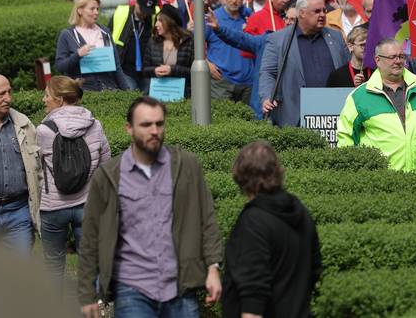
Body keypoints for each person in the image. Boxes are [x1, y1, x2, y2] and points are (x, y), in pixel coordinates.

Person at [78, 96, 223, 318]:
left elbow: (207, 218)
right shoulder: (108, 176)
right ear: (129, 128)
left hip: (180, 286)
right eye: (146, 124)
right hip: (132, 288)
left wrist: (213, 268)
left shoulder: (186, 166)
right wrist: (87, 293)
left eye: (159, 123)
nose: (154, 130)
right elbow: (90, 236)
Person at [221, 141, 321, 318]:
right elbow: (314, 269)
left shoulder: (253, 222)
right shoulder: (301, 212)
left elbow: (253, 293)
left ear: (242, 178)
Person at [36, 76, 110, 289]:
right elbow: (106, 163)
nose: (43, 100)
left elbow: (37, 168)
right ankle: (96, 306)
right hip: (87, 204)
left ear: (59, 100)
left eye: (47, 95)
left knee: (53, 265)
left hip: (53, 207)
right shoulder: (94, 124)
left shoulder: (44, 130)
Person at [335, 38, 416, 172]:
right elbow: (345, 138)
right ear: (378, 60)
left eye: (401, 56)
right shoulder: (359, 96)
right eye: (392, 57)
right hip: (380, 183)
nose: (398, 61)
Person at [0, 73, 42, 253]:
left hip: (19, 213)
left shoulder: (23, 124)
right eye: (1, 94)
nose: (8, 98)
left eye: (9, 92)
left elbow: (39, 170)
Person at [260, 0, 350, 127]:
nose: (323, 15)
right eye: (317, 11)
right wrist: (267, 96)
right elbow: (268, 72)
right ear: (302, 13)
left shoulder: (335, 37)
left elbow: (347, 69)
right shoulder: (278, 40)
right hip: (295, 115)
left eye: (324, 10)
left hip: (332, 113)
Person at [56, 0, 132, 91]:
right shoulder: (67, 35)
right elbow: (60, 66)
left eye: (97, 9)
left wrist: (127, 91)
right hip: (82, 91)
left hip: (109, 90)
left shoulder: (105, 32)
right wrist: (78, 55)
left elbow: (116, 66)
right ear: (80, 11)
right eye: (92, 9)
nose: (96, 12)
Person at [205, 0, 255, 105]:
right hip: (221, 80)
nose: (234, 0)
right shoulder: (213, 17)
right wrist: (205, 63)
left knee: (247, 122)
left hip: (248, 81)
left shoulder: (250, 17)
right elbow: (195, 44)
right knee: (222, 121)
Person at [141, 4, 193, 96]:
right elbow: (144, 70)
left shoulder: (188, 41)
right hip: (158, 93)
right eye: (156, 20)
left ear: (170, 22)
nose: (156, 24)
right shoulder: (153, 41)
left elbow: (194, 71)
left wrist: (172, 70)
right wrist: (155, 71)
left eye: (160, 21)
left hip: (182, 94)